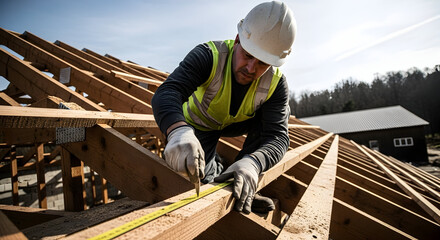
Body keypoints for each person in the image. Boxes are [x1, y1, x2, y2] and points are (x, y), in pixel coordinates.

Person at [152, 1, 296, 214]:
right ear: (237, 40)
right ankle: (216, 168)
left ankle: (239, 178)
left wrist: (254, 163)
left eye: (262, 64)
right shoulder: (209, 55)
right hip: (199, 124)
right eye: (247, 55)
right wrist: (177, 131)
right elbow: (168, 92)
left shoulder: (276, 84)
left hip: (239, 124)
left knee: (274, 121)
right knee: (196, 173)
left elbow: (278, 136)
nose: (250, 68)